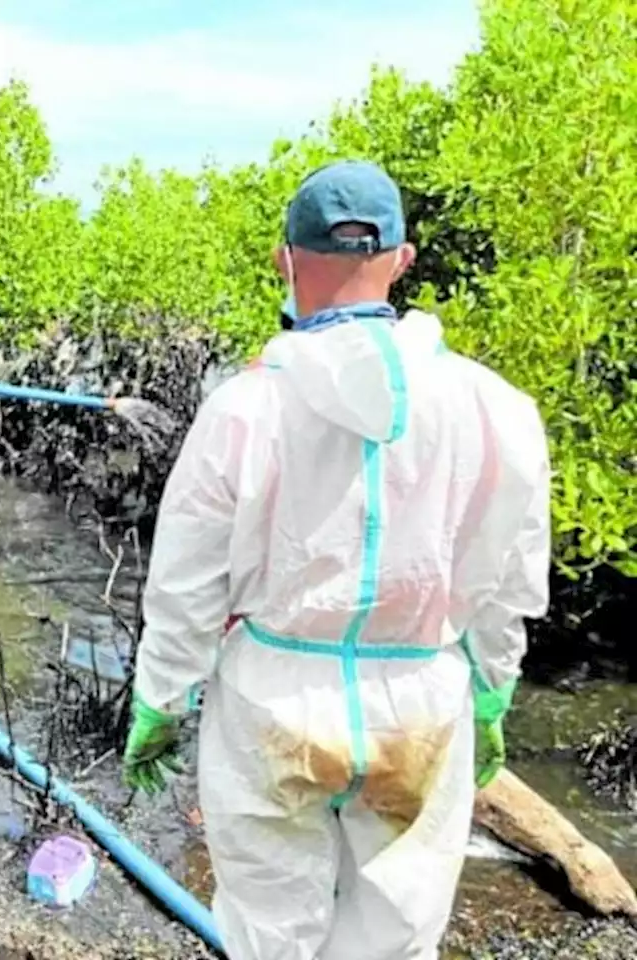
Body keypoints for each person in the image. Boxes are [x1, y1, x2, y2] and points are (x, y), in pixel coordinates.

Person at [122, 160, 551, 960]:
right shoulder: (500, 409)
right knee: (395, 939)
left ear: (286, 259)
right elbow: (510, 581)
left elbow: (185, 581)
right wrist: (493, 689)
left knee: (271, 934)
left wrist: (162, 700)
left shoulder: (245, 405)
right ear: (405, 260)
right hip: (422, 699)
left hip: (273, 704)